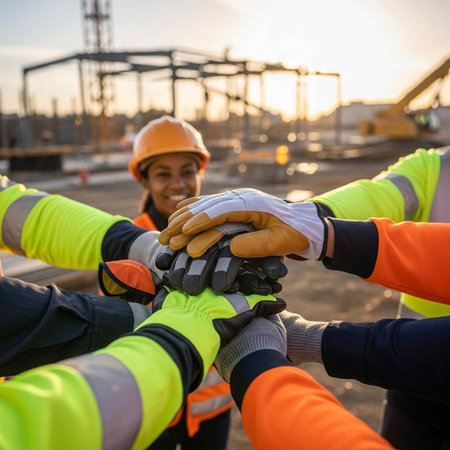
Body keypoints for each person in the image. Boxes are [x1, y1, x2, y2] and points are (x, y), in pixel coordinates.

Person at [159, 154, 450, 450]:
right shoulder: (437, 166)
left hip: (406, 357)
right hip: (410, 371)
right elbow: (377, 196)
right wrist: (311, 222)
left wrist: (264, 358)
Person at [0, 285, 285, 449]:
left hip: (209, 407)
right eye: (163, 175)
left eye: (188, 175)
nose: (178, 184)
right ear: (145, 183)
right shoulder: (135, 242)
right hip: (153, 407)